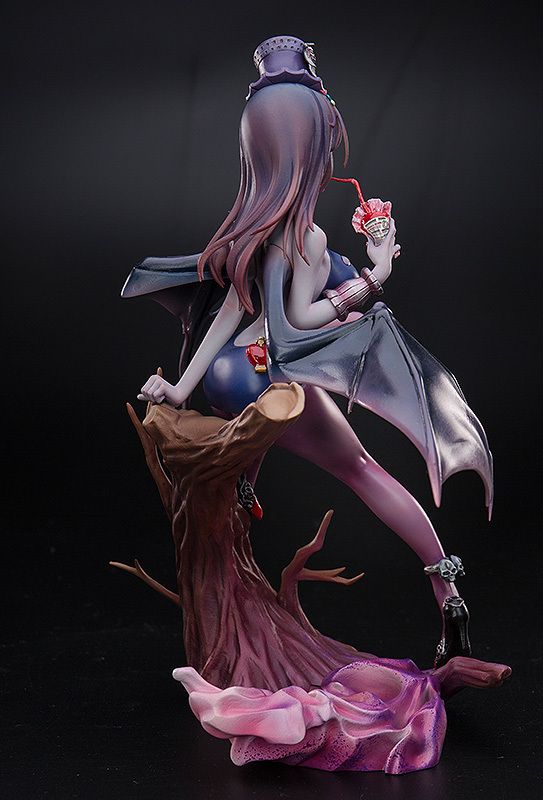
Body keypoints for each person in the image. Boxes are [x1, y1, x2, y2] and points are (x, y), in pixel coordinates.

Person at [128, 36, 493, 666]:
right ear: (314, 149)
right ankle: (447, 589)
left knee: (258, 440)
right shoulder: (307, 237)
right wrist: (374, 277)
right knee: (362, 469)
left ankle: (243, 501)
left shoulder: (250, 228)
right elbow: (297, 319)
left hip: (228, 374)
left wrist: (183, 387)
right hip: (269, 377)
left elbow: (233, 312)